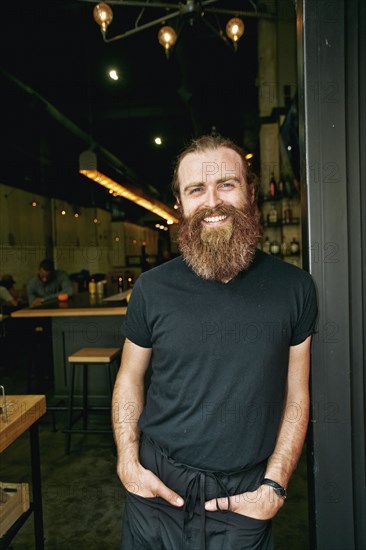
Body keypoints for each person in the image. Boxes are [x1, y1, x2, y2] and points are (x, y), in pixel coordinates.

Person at [112, 135, 318, 550]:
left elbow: (297, 392)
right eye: (196, 189)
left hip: (242, 499)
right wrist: (128, 462)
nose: (212, 202)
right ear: (181, 205)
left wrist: (273, 487)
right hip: (155, 489)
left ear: (250, 192)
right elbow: (130, 376)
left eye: (226, 184)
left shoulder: (294, 288)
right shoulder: (152, 288)